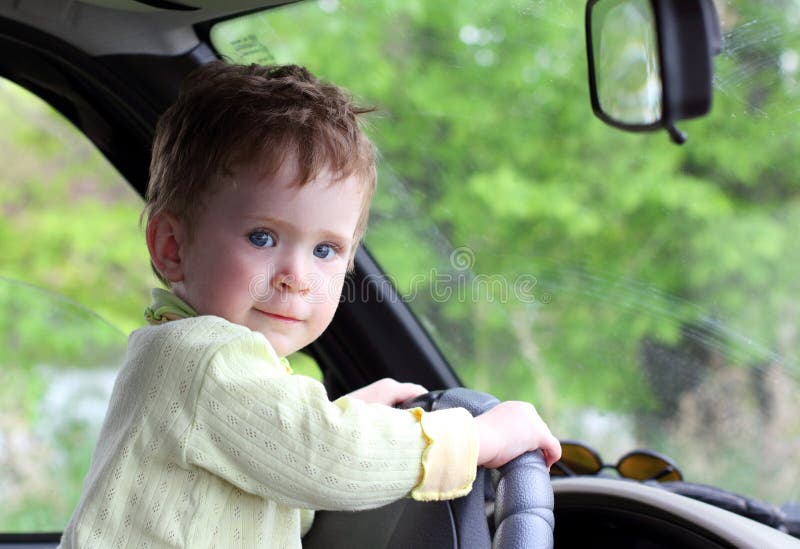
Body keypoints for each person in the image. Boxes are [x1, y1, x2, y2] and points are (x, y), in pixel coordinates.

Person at [59, 61, 561, 548]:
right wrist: (478, 440)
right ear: (173, 246)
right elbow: (326, 460)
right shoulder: (205, 356)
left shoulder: (199, 363)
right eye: (262, 236)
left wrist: (339, 414)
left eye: (325, 250)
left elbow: (289, 476)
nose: (297, 278)